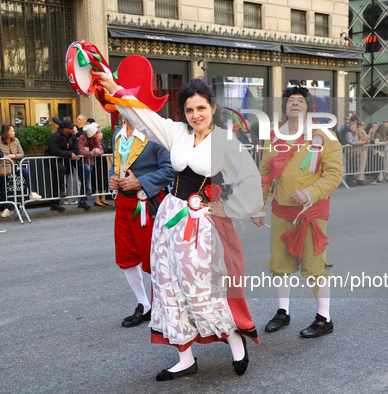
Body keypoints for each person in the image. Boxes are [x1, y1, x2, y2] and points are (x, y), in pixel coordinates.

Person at [93, 70, 262, 380]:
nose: (195, 115)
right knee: (168, 285)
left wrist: (241, 208)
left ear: (212, 107)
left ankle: (234, 339)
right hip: (171, 217)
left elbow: (250, 179)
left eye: (201, 108)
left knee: (201, 289)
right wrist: (115, 88)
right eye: (189, 109)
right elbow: (143, 116)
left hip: (203, 223)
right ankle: (184, 356)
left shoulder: (224, 140)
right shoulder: (177, 133)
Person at [252, 86, 343, 339]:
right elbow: (264, 174)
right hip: (281, 211)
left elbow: (334, 174)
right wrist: (258, 207)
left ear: (309, 107)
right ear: (285, 107)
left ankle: (324, 317)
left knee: (315, 265)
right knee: (280, 265)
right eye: (290, 100)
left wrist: (310, 193)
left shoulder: (324, 135)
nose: (294, 104)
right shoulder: (273, 135)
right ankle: (283, 312)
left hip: (311, 212)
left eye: (299, 100)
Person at [108, 118, 174, 327]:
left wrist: (140, 181)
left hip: (150, 203)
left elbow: (170, 169)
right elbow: (115, 165)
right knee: (126, 256)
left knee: (155, 259)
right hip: (124, 203)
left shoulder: (156, 134)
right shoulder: (118, 134)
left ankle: (165, 305)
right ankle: (144, 304)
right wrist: (112, 178)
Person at [0, 124, 42, 218]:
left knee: (26, 172)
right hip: (2, 165)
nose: (14, 132)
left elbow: (22, 154)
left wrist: (13, 156)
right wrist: (3, 157)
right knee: (3, 186)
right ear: (6, 132)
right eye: (12, 131)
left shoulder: (15, 140)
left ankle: (32, 192)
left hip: (14, 164)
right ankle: (6, 208)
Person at [44, 120, 79, 212]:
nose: (73, 129)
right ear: (64, 129)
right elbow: (55, 151)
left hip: (64, 159)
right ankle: (60, 192)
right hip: (51, 158)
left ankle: (56, 202)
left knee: (61, 173)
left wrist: (71, 154)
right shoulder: (54, 137)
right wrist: (70, 154)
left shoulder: (73, 137)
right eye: (71, 128)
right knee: (59, 170)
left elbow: (76, 149)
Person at [77, 123, 104, 210]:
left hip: (90, 161)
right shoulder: (82, 138)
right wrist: (91, 153)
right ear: (91, 133)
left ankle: (82, 200)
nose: (97, 134)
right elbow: (80, 151)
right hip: (81, 161)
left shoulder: (95, 139)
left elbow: (101, 149)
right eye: (96, 132)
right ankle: (87, 187)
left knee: (85, 179)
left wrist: (100, 152)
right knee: (87, 170)